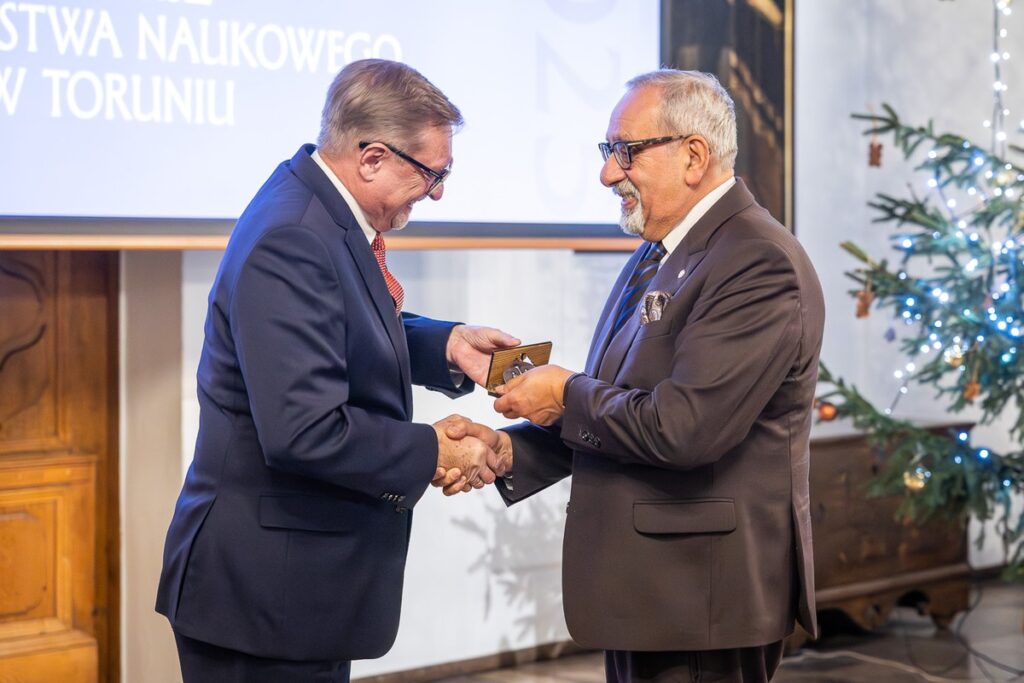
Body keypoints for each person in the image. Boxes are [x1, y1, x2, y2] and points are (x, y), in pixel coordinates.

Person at [444, 69, 825, 682]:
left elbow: (683, 429)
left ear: (694, 155)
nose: (607, 173)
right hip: (654, 591)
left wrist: (564, 392)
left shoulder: (757, 261)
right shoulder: (662, 251)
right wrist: (508, 452)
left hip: (703, 598)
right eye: (607, 152)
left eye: (626, 152)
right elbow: (620, 412)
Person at [156, 59, 517, 683]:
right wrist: (434, 447)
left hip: (292, 587)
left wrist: (448, 346)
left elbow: (335, 326)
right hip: (264, 594)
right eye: (432, 173)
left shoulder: (317, 211)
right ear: (372, 157)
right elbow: (304, 429)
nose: (438, 193)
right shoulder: (294, 237)